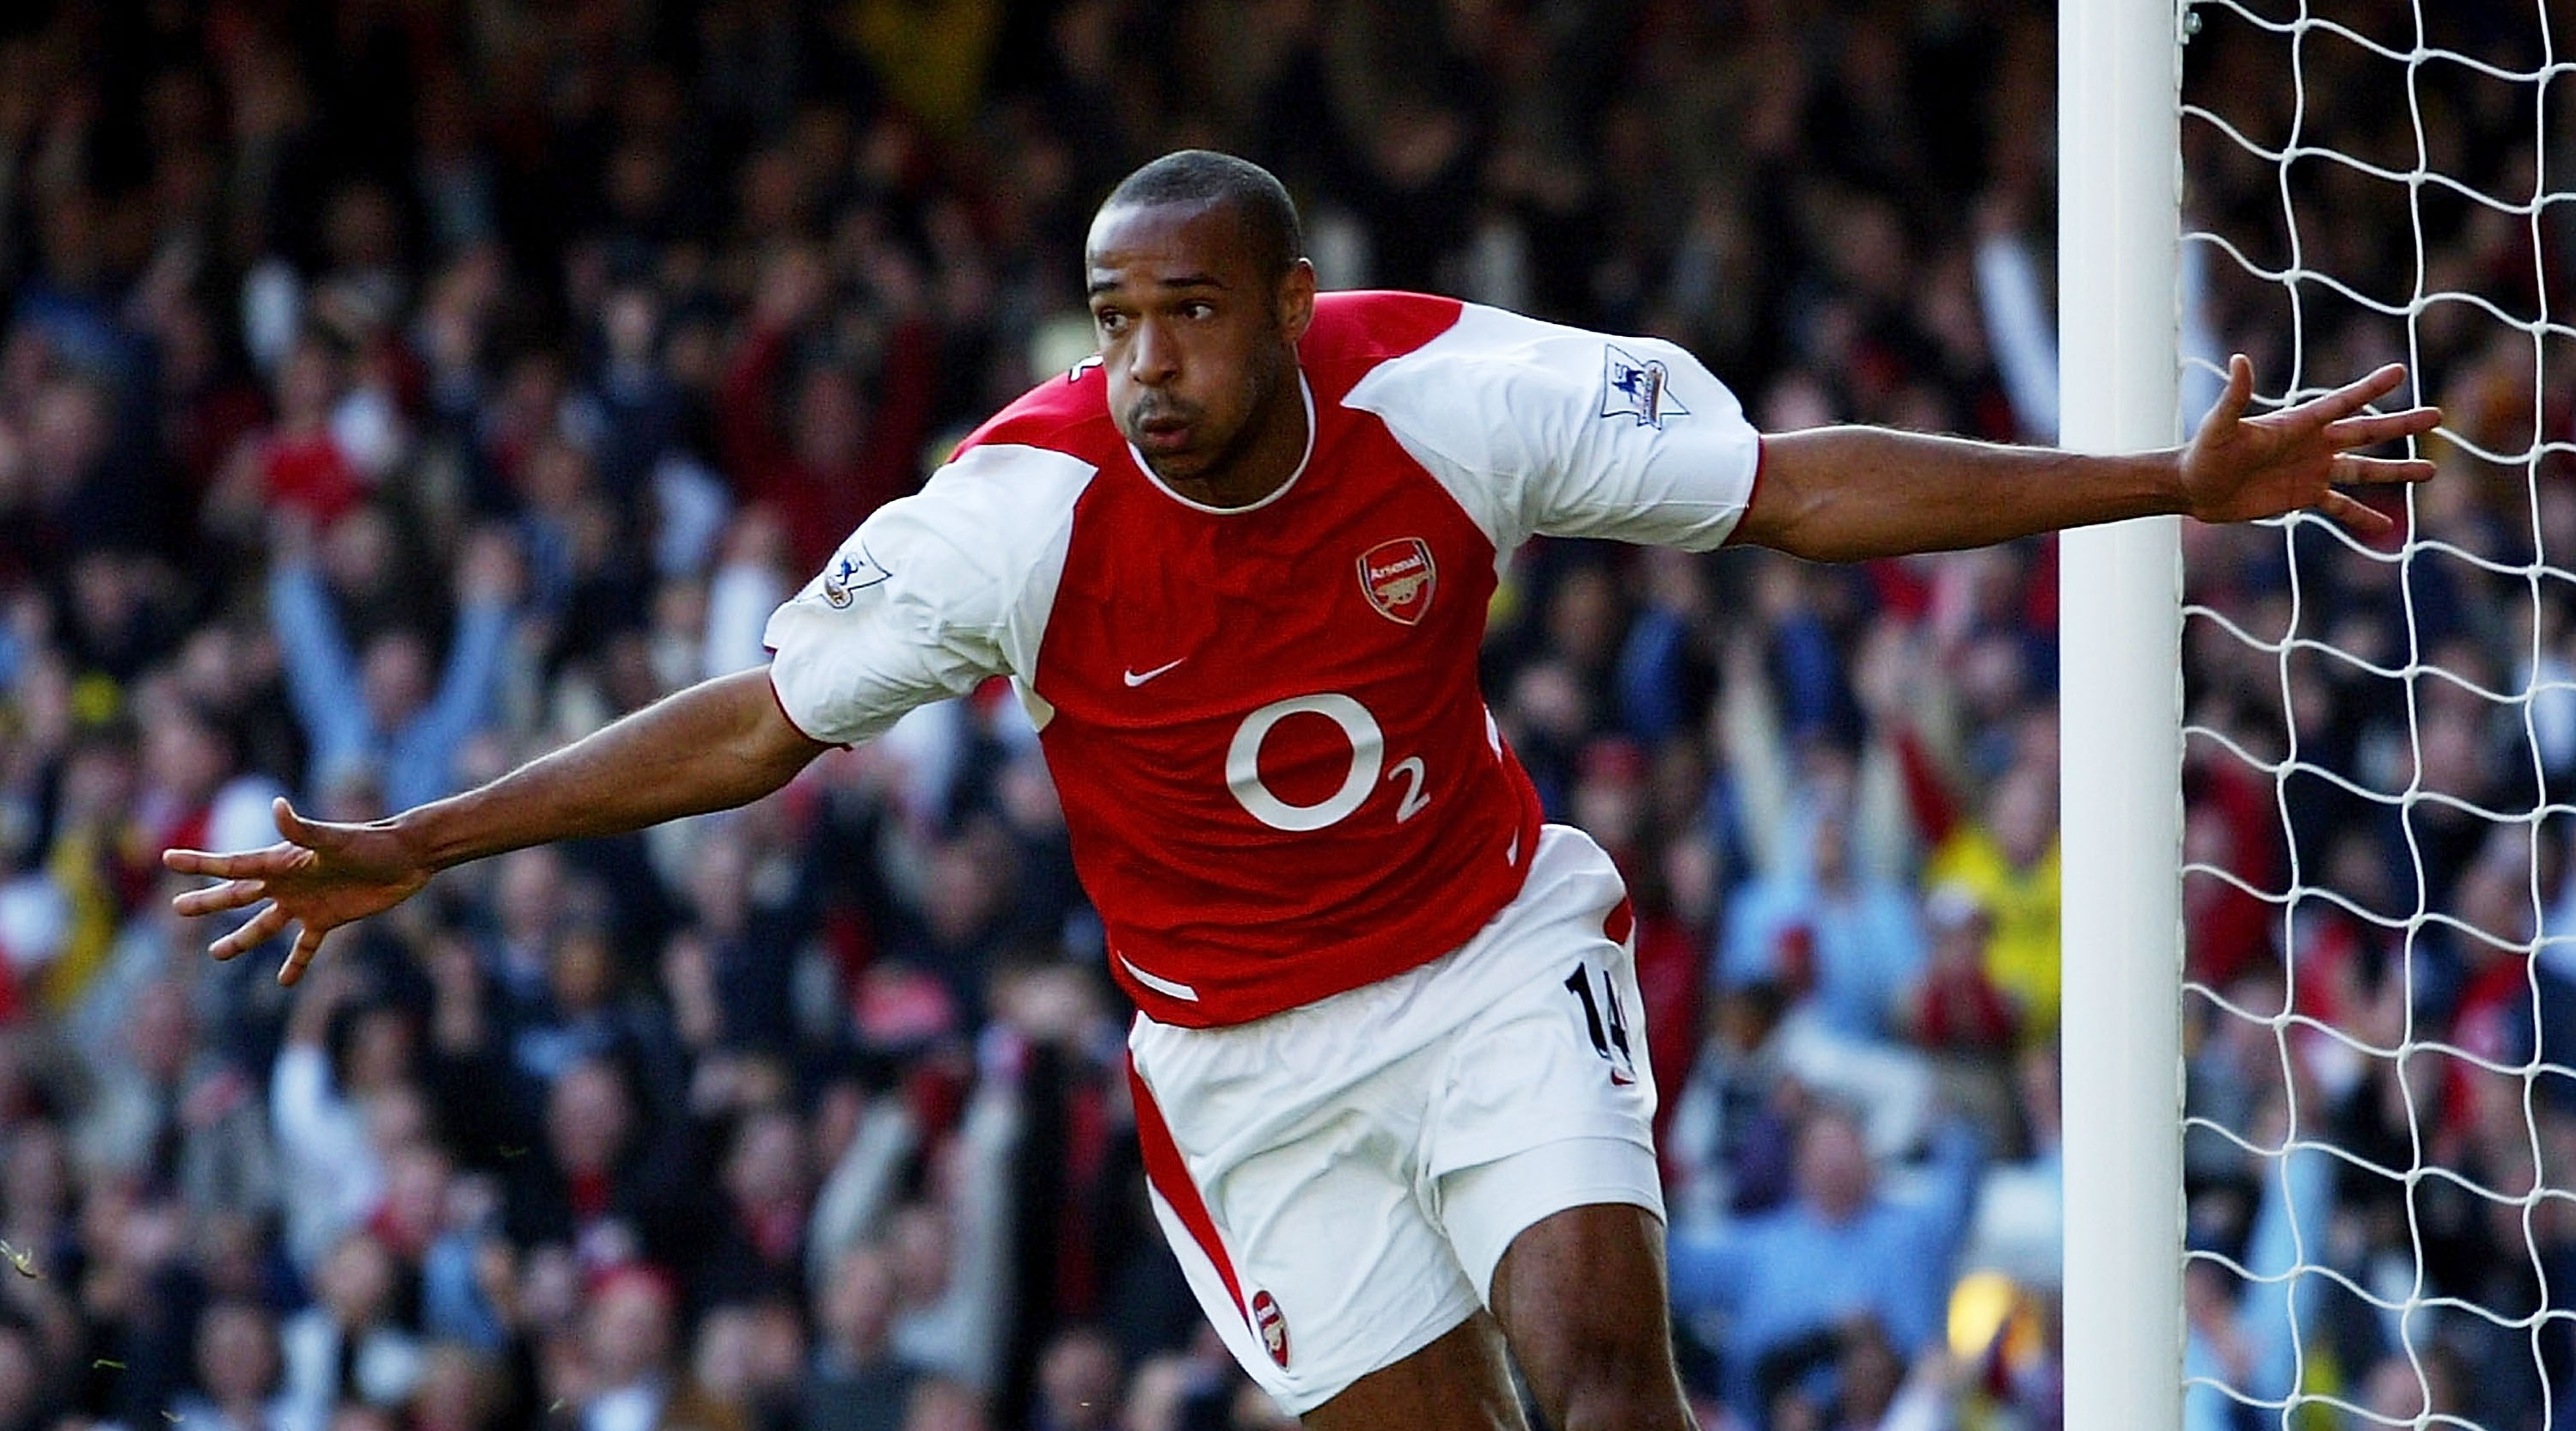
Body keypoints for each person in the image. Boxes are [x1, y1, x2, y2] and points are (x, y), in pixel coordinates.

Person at [167, 150, 2439, 1431]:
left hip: (1480, 956)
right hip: (1241, 1070)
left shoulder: (1450, 389)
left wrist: (2165, 476)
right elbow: (759, 718)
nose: (1145, 364)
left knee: (1602, 1374)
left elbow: (1789, 491)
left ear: (1292, 300)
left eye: (1190, 314)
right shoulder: (1018, 509)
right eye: (1109, 316)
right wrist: (430, 840)